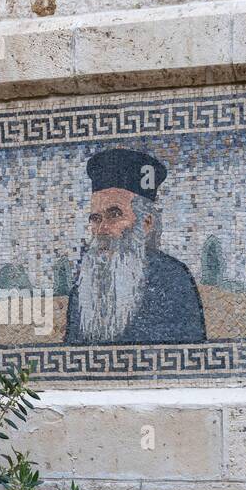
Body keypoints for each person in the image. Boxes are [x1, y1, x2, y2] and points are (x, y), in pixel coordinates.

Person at [65, 148, 206, 345]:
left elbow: (190, 357)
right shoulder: (85, 282)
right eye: (96, 219)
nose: (102, 229)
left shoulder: (172, 277)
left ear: (146, 223)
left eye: (114, 214)